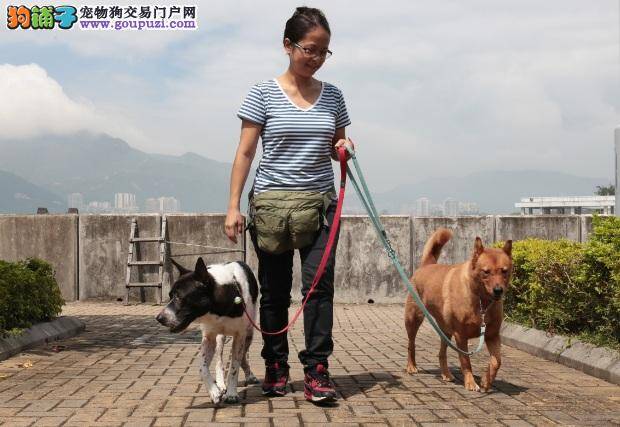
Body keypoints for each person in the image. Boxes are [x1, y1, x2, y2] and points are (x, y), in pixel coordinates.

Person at [224, 6, 353, 403]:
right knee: (276, 293)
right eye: (309, 49)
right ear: (287, 45)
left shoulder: (334, 95)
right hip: (271, 207)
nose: (315, 59)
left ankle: (317, 370)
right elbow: (245, 153)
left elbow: (337, 145)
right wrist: (233, 207)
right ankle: (275, 366)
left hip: (320, 206)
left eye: (323, 52)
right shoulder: (261, 93)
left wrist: (344, 147)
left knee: (319, 290)